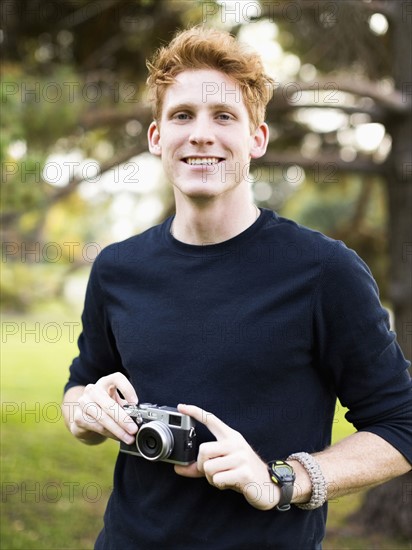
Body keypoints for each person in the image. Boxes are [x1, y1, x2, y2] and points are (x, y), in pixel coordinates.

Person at [62, 26, 412, 549]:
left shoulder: (323, 271)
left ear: (257, 138)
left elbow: (400, 425)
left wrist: (281, 481)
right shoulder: (116, 268)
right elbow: (81, 388)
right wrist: (84, 410)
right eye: (182, 115)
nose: (201, 134)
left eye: (224, 117)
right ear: (157, 137)